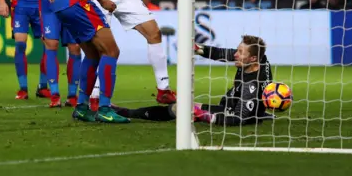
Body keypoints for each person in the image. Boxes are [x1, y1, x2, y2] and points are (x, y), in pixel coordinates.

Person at [112, 35, 273, 126]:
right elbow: (220, 53)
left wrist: (204, 116)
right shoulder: (256, 59)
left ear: (253, 58)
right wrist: (197, 48)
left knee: (178, 109)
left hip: (232, 110)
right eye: (237, 50)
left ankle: (125, 112)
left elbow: (241, 118)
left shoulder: (252, 84)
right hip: (230, 104)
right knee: (180, 105)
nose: (235, 55)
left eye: (240, 52)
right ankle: (125, 111)